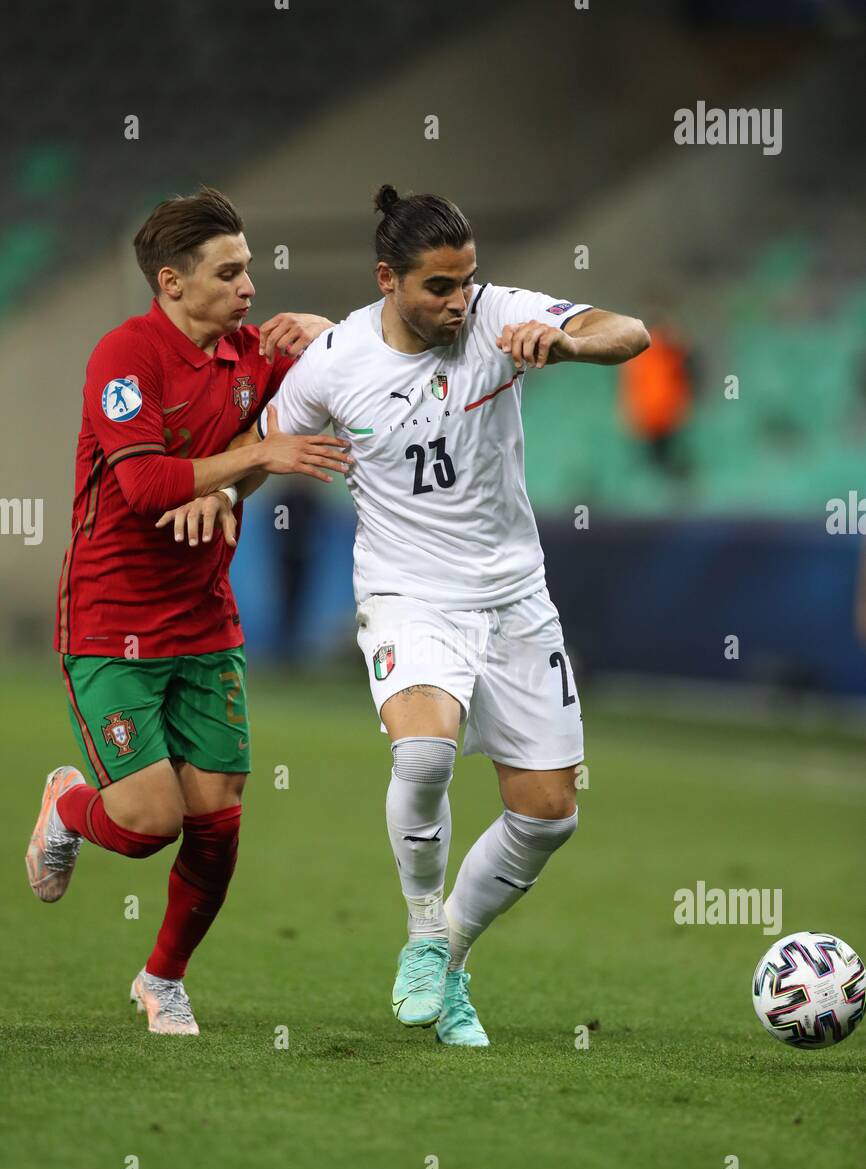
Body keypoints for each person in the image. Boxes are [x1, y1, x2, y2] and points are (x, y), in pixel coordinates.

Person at [165, 184, 649, 1046]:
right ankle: (426, 930)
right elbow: (263, 444)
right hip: (407, 592)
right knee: (424, 752)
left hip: (514, 598)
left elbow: (633, 333)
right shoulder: (337, 360)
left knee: (549, 815)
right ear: (388, 279)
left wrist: (567, 340)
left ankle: (450, 960)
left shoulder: (501, 315)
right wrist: (220, 490)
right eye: (438, 287)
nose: (458, 301)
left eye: (467, 282)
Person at [25, 186, 350, 1035]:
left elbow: (353, 368)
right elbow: (142, 487)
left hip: (204, 619)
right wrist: (259, 454)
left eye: (251, 267)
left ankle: (162, 978)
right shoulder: (124, 358)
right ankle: (66, 804)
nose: (250, 286)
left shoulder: (252, 356)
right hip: (109, 620)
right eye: (230, 272)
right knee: (145, 825)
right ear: (171, 282)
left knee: (217, 819)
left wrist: (323, 332)